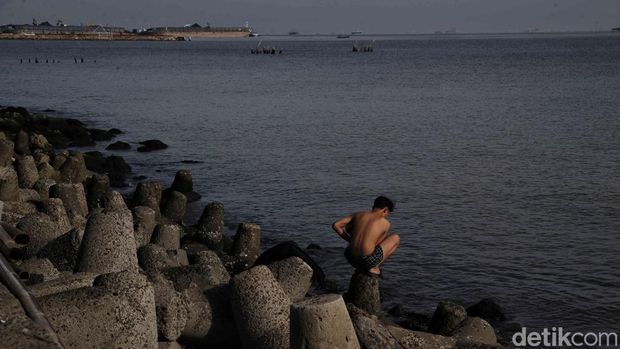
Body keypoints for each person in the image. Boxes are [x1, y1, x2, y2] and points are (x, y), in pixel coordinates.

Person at [332, 196, 400, 276]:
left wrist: (350, 239)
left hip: (350, 257)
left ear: (374, 206)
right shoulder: (385, 223)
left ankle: (362, 267)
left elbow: (336, 225)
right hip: (366, 261)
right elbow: (376, 245)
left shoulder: (358, 215)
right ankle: (374, 267)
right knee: (396, 238)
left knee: (352, 229)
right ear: (385, 210)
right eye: (388, 214)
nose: (386, 216)